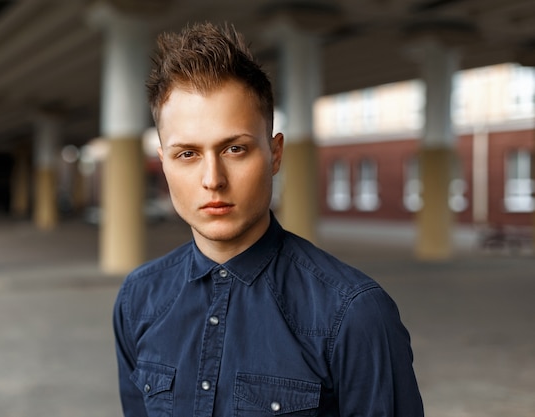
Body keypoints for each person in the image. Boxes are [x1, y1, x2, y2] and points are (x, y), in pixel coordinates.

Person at [113, 22, 424, 417]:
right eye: (187, 154)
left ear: (274, 154)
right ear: (164, 163)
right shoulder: (137, 300)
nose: (212, 180)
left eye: (235, 149)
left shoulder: (355, 314)